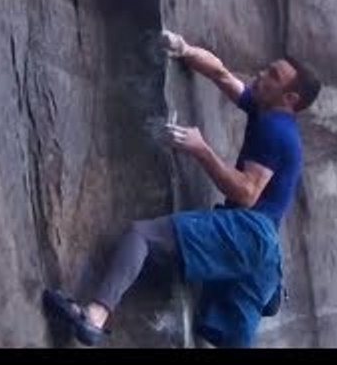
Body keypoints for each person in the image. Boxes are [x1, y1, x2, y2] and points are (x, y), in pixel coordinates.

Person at [43, 30, 322, 348]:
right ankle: (267, 290)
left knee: (142, 235)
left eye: (273, 76)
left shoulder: (276, 130)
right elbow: (221, 74)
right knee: (226, 341)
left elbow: (246, 193)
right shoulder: (265, 109)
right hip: (262, 249)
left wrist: (200, 149)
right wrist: (184, 49)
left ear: (291, 99)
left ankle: (94, 316)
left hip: (249, 231)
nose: (262, 74)